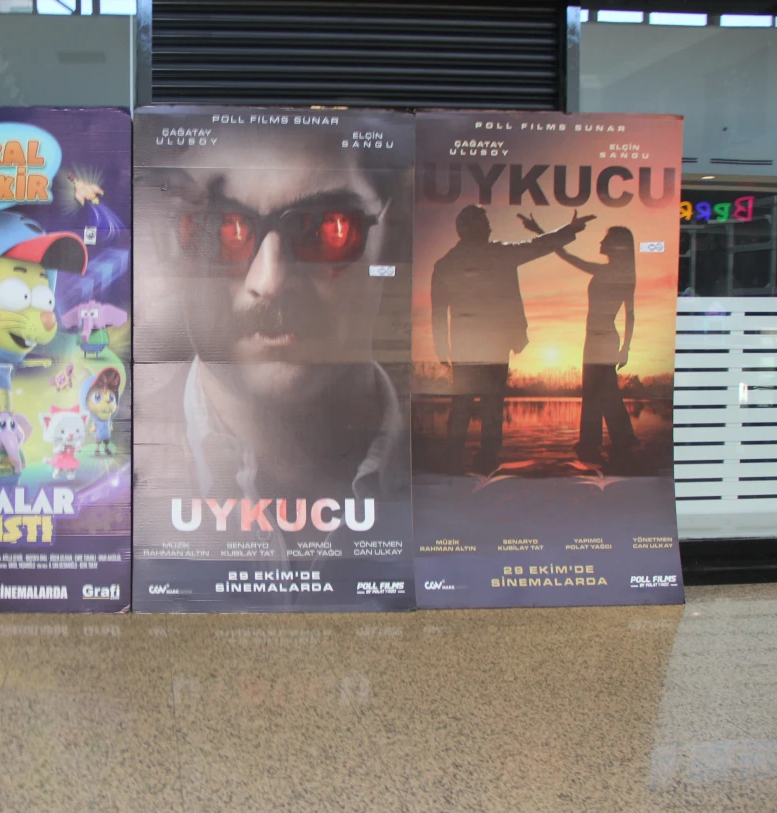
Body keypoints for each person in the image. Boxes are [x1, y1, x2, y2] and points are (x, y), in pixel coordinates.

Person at [136, 116, 409, 587]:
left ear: (393, 238)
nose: (270, 280)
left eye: (328, 230)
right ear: (171, 245)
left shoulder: (463, 476)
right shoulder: (103, 469)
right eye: (221, 230)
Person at [432, 205, 593, 474]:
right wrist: (570, 229)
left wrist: (441, 348)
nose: (489, 226)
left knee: (473, 403)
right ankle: (479, 459)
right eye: (483, 221)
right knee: (483, 403)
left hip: (476, 345)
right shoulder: (484, 257)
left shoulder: (449, 263)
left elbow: (536, 247)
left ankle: (463, 459)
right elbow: (536, 247)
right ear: (467, 228)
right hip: (482, 345)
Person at [520, 215, 638, 462]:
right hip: (595, 339)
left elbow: (630, 314)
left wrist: (625, 348)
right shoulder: (607, 271)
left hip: (603, 338)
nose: (601, 242)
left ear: (616, 245)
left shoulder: (620, 275)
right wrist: (539, 229)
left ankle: (600, 441)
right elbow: (566, 256)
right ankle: (614, 440)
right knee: (602, 390)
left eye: (605, 239)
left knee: (599, 390)